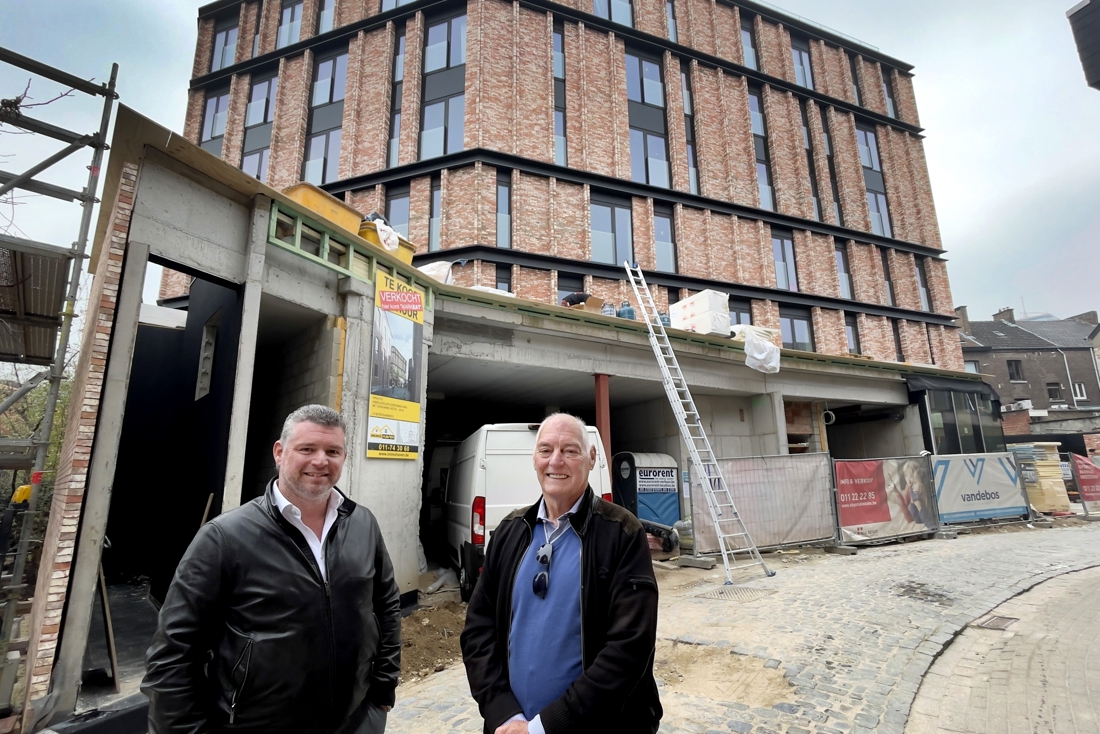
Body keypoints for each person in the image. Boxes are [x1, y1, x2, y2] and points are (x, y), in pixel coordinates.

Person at [143, 404, 401, 734]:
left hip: (356, 721)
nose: (321, 460)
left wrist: (381, 693)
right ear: (279, 452)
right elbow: (172, 655)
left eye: (332, 451)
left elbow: (387, 606)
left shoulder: (363, 524)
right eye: (307, 449)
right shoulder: (225, 538)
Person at [460, 413, 661, 734]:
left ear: (591, 458)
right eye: (545, 450)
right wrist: (503, 712)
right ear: (534, 459)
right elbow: (477, 630)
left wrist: (544, 726)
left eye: (570, 450)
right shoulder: (509, 533)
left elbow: (630, 647)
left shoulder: (621, 533)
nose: (556, 460)